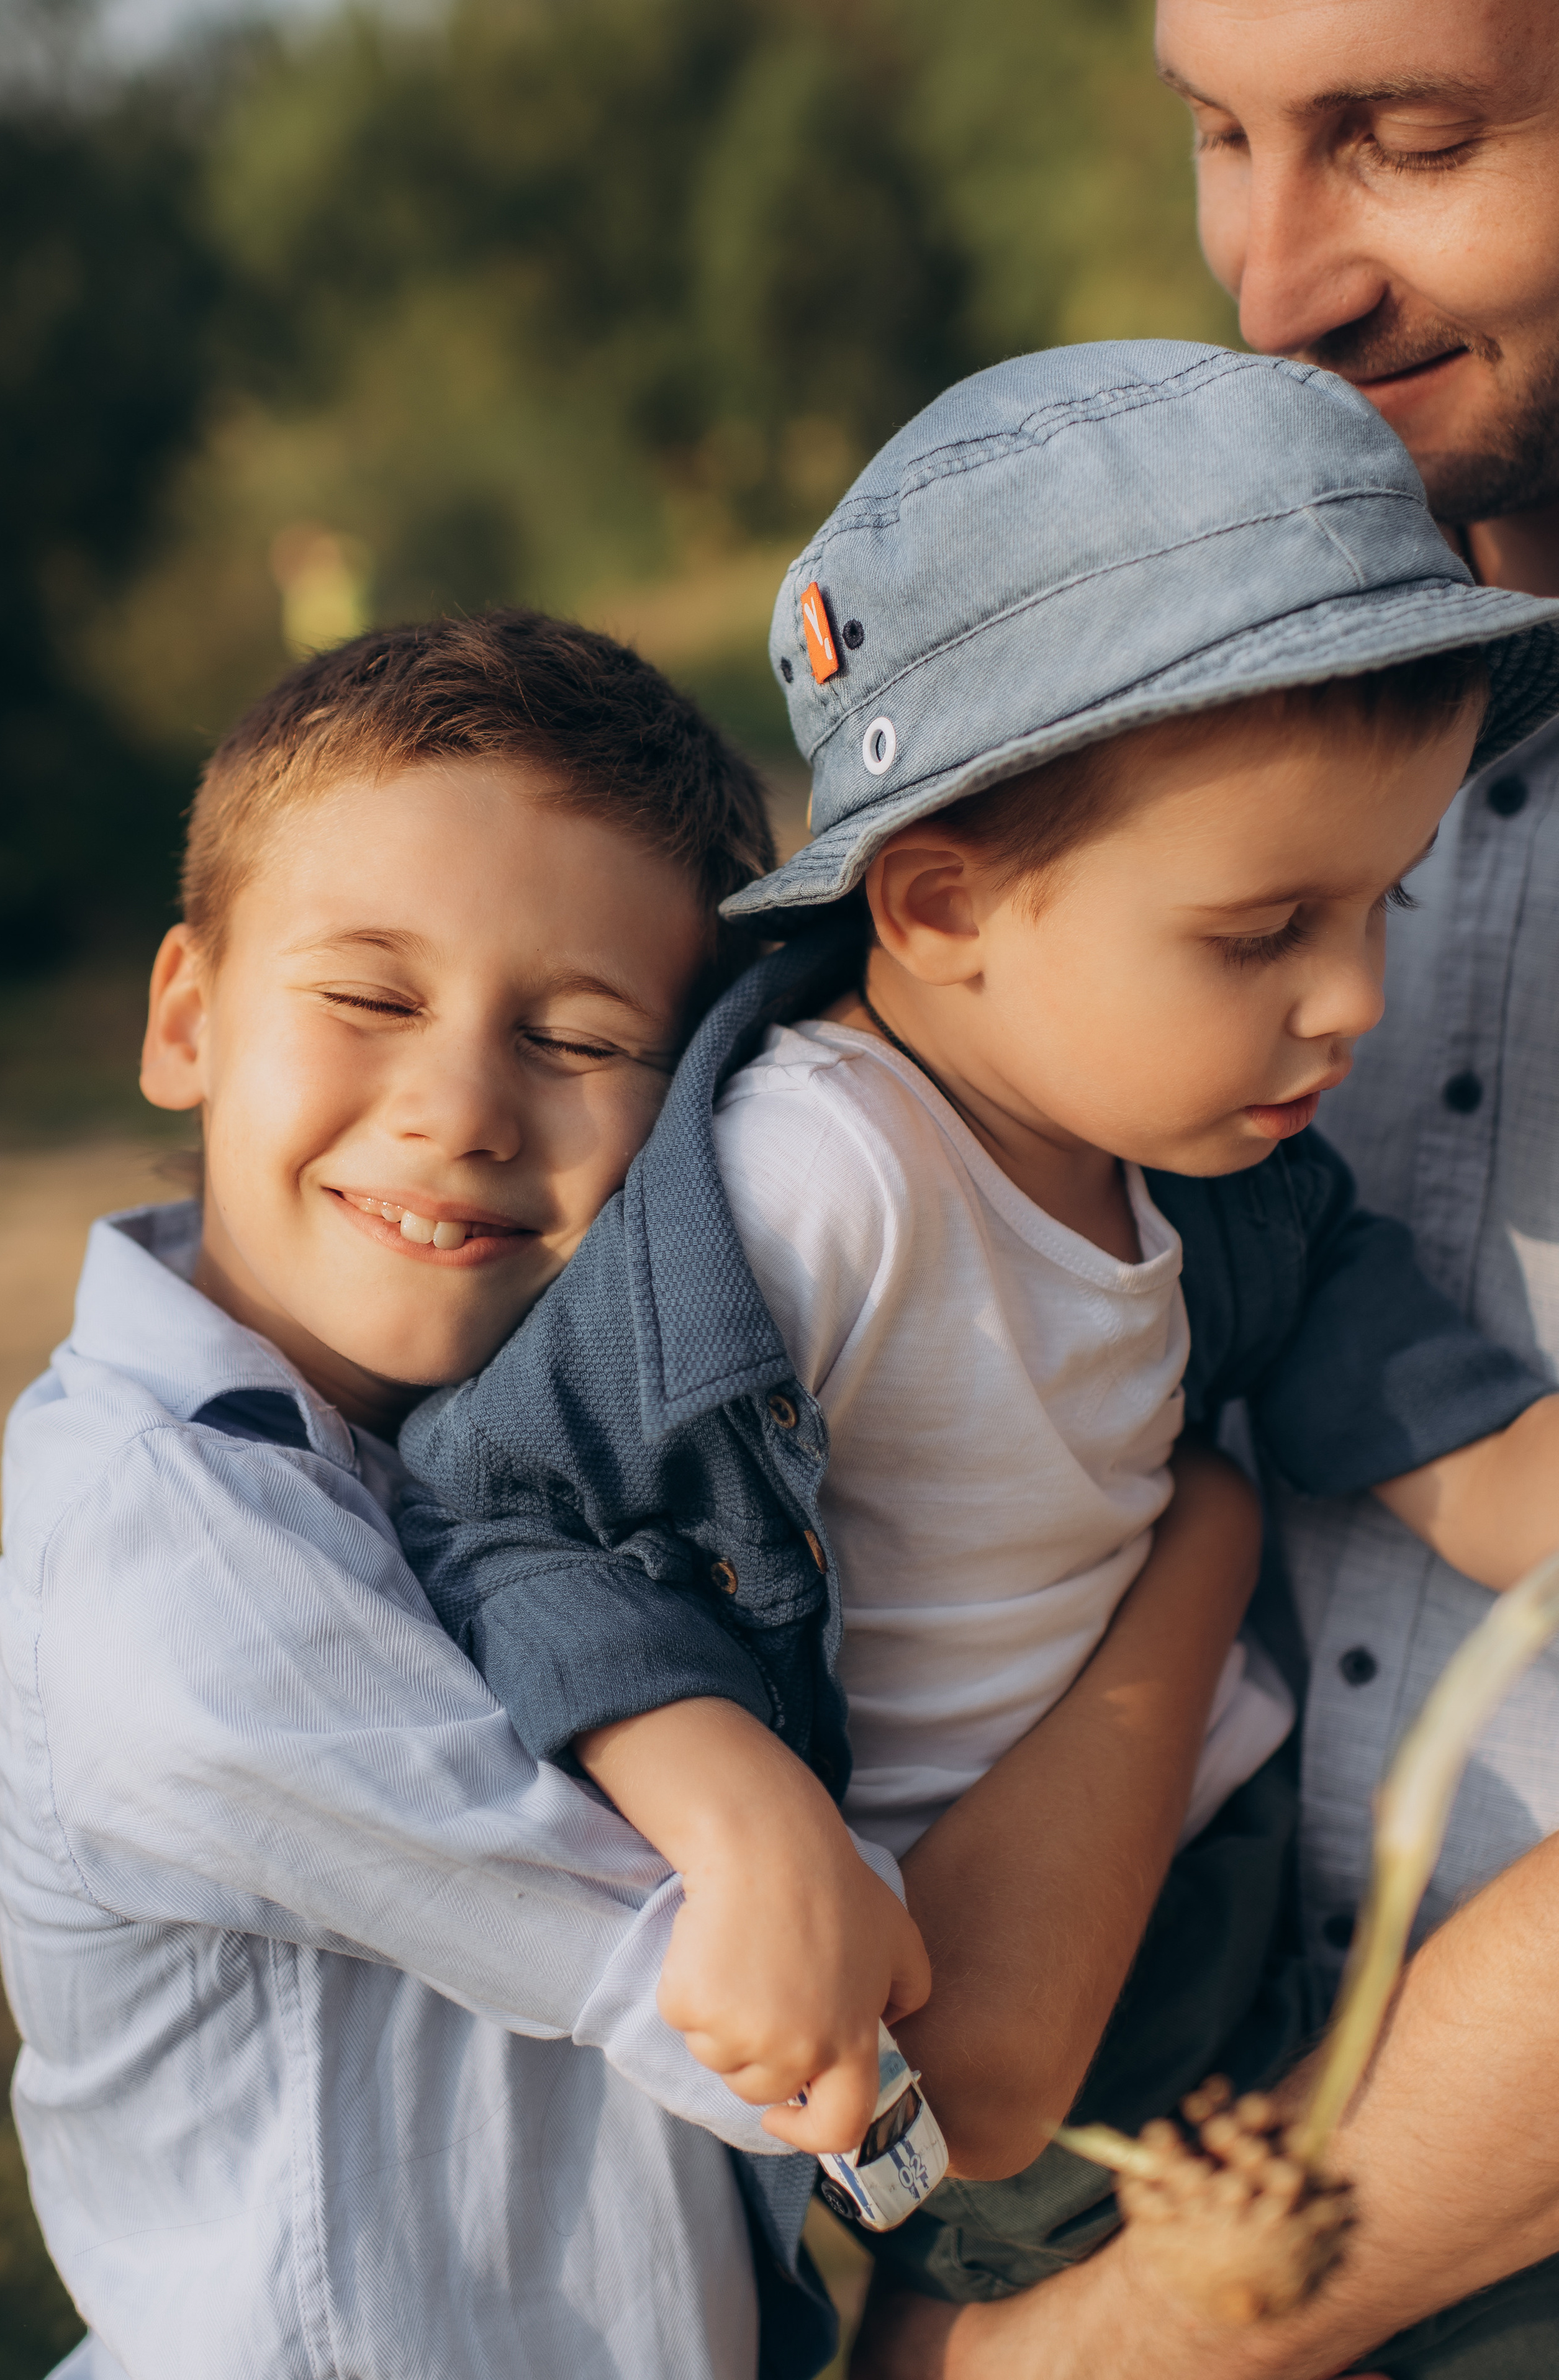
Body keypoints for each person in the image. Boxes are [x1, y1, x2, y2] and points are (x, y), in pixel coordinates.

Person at [395, 343, 1559, 2364]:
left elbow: (1351, 1328)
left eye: (1386, 898)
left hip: (1211, 1890)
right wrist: (739, 1813)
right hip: (971, 2021)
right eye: (1264, 927)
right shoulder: (820, 1189)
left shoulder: (1200, 1147)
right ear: (940, 905)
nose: (1353, 996)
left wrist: (1512, 1478)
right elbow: (512, 1514)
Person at [854, 7, 1559, 2373]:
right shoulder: (1184, 692)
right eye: (1219, 135)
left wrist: (1093, 2350)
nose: (1271, 289)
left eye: (1417, 137)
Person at [0, 609, 873, 2380]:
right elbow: (791, 2014)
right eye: (371, 996)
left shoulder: (531, 1451)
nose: (460, 1105)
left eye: (582, 1036)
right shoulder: (166, 1553)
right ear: (185, 1017)